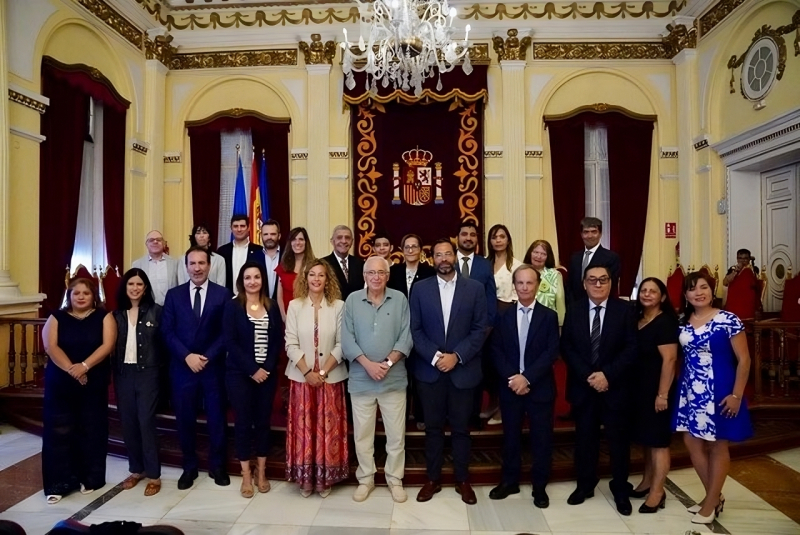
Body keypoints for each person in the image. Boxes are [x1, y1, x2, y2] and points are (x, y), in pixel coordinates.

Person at [409, 239, 488, 505]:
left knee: (461, 429)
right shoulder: (419, 290)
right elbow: (414, 329)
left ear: (455, 256)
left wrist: (457, 356)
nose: (443, 258)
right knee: (432, 428)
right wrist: (435, 357)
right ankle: (432, 479)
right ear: (431, 259)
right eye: (438, 254)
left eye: (447, 254)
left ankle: (462, 480)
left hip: (462, 371)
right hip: (429, 371)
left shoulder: (474, 289)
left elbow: (480, 329)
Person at [673, 272, 752, 524]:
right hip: (690, 391)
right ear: (685, 295)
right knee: (691, 441)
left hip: (720, 391)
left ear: (712, 290)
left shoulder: (727, 319)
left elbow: (745, 360)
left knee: (717, 444)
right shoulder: (683, 322)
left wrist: (737, 394)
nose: (699, 292)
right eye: (693, 289)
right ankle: (713, 496)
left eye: (704, 287)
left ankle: (710, 502)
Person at [560, 265, 637, 515]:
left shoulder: (624, 311)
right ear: (584, 284)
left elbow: (631, 349)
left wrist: (607, 375)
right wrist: (589, 375)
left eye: (603, 279)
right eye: (592, 280)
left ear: (611, 283)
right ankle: (585, 484)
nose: (598, 284)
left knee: (618, 441)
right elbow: (567, 347)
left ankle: (620, 488)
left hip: (614, 387)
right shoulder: (574, 310)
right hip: (584, 387)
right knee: (585, 439)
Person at [342, 257, 413, 503]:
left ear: (387, 275)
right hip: (361, 379)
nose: (376, 277)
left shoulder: (400, 299)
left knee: (396, 435)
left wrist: (387, 364)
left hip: (393, 380)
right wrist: (368, 365)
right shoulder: (351, 300)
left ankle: (395, 479)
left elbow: (406, 336)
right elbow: (347, 339)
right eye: (371, 272)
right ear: (364, 275)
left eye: (381, 272)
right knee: (363, 435)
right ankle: (366, 478)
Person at [161, 246, 232, 490]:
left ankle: (217, 466)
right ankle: (189, 467)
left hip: (212, 368)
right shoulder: (173, 295)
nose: (197, 268)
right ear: (186, 266)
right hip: (182, 369)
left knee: (216, 420)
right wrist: (187, 356)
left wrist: (206, 357)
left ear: (209, 266)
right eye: (193, 263)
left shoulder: (223, 294)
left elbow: (226, 332)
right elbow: (167, 332)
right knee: (185, 420)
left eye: (202, 263)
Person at [489, 265, 559, 509]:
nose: (525, 287)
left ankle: (539, 487)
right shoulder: (503, 316)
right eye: (520, 283)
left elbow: (552, 352)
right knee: (510, 438)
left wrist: (526, 378)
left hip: (539, 388)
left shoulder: (549, 316)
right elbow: (495, 350)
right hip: (510, 388)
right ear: (514, 286)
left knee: (541, 439)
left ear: (537, 285)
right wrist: (513, 377)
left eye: (530, 283)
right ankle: (509, 482)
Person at [41, 278, 116, 504]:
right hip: (61, 383)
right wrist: (73, 370)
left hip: (93, 380)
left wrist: (84, 367)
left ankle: (90, 478)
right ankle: (58, 483)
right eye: (76, 293)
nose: (81, 297)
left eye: (86, 293)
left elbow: (107, 346)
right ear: (69, 296)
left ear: (94, 296)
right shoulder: (56, 317)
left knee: (91, 430)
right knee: (58, 432)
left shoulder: (105, 317)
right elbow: (50, 346)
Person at [284, 259, 349, 498]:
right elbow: (290, 343)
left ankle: (326, 477)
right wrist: (307, 372)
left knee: (327, 428)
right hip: (301, 378)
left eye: (321, 275)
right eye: (312, 275)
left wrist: (321, 373)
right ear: (305, 278)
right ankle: (305, 477)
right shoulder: (294, 306)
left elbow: (343, 344)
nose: (316, 279)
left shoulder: (339, 306)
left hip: (330, 378)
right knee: (305, 429)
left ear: (327, 279)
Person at [223, 261, 283, 499]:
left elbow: (277, 340)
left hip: (266, 375)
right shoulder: (233, 306)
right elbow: (230, 342)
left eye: (256, 277)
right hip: (239, 374)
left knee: (263, 423)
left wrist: (266, 368)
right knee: (243, 423)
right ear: (242, 281)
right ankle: (246, 473)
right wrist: (252, 369)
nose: (252, 281)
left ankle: (262, 472)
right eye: (248, 278)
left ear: (262, 280)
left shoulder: (272, 305)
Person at [112, 269, 165, 497]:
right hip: (123, 374)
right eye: (131, 284)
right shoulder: (116, 315)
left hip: (149, 374)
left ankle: (153, 475)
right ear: (125, 287)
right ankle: (136, 470)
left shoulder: (157, 312)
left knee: (145, 422)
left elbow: (164, 346)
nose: (135, 288)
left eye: (139, 284)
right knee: (129, 422)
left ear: (145, 288)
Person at [630, 277, 678, 514]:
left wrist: (663, 394)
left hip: (658, 389)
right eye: (644, 290)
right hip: (639, 389)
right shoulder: (638, 319)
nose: (647, 294)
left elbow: (669, 360)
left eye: (653, 291)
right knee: (646, 440)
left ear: (663, 297)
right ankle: (647, 481)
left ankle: (658, 492)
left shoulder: (665, 322)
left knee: (658, 442)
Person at [387, 233, 435, 430]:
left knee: (421, 375)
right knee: (400, 374)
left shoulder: (430, 272)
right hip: (398, 329)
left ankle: (422, 415)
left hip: (423, 329)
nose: (410, 250)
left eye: (415, 246)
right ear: (402, 250)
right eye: (407, 247)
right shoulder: (394, 271)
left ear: (421, 250)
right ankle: (402, 416)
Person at [455, 222, 497, 428]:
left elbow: (491, 298)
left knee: (475, 376)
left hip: (478, 333)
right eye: (464, 234)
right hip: (450, 332)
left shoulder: (484, 264)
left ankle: (472, 416)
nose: (468, 238)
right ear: (457, 237)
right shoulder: (446, 261)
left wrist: (485, 329)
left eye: (473, 234)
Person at [484, 224, 522, 425]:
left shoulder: (516, 265)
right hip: (486, 318)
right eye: (494, 237)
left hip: (507, 315)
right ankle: (492, 402)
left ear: (508, 240)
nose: (498, 240)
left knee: (503, 361)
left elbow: (520, 294)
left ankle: (503, 408)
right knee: (488, 363)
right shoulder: (485, 264)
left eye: (502, 236)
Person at [567, 217, 621, 301]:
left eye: (594, 232)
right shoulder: (575, 258)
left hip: (600, 306)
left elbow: (611, 287)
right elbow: (570, 285)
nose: (590, 236)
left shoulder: (611, 258)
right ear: (581, 234)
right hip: (576, 307)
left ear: (600, 234)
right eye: (586, 232)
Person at [217, 214, 265, 293]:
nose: (239, 229)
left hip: (252, 298)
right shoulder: (222, 251)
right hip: (228, 299)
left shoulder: (259, 250)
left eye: (242, 226)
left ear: (248, 228)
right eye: (235, 226)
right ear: (231, 228)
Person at [276, 227, 315, 322]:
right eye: (294, 239)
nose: (297, 243)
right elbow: (279, 296)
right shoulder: (283, 266)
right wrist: (283, 316)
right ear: (290, 243)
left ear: (306, 242)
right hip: (287, 317)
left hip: (308, 317)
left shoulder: (314, 266)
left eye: (301, 239)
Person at [131, 230, 180, 306]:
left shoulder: (175, 263)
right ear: (146, 244)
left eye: (159, 240)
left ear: (163, 243)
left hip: (169, 308)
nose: (155, 242)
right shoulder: (137, 265)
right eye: (151, 240)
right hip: (146, 309)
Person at [526, 239, 566, 326]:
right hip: (525, 320)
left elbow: (560, 301)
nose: (538, 256)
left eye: (543, 254)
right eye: (536, 252)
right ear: (530, 253)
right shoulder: (521, 272)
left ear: (548, 257)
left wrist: (561, 324)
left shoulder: (555, 275)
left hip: (548, 323)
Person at [323, 225, 365, 300]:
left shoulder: (360, 264)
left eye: (347, 238)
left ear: (352, 241)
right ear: (332, 241)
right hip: (332, 308)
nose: (344, 241)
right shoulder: (323, 264)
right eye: (339, 237)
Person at [260, 219, 283, 301]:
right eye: (266, 234)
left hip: (283, 308)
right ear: (261, 236)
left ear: (279, 236)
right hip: (260, 307)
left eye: (273, 234)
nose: (269, 237)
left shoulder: (287, 256)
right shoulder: (253, 257)